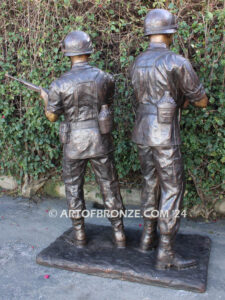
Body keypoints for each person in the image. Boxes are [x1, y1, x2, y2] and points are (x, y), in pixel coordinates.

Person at [130, 9, 208, 269]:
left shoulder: (137, 61)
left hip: (142, 131)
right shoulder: (177, 62)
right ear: (169, 33)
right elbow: (201, 100)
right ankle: (166, 252)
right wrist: (183, 98)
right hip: (164, 135)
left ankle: (146, 239)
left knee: (150, 184)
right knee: (172, 190)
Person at [40, 30, 126, 248]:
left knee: (72, 187)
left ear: (67, 53)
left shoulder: (59, 84)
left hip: (74, 143)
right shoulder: (105, 78)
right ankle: (119, 233)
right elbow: (107, 102)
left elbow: (51, 116)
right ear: (89, 51)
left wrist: (46, 99)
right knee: (109, 185)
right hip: (100, 139)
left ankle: (79, 234)